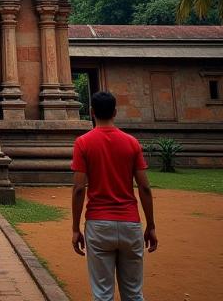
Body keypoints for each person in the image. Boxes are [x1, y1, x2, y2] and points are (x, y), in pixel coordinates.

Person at [71, 90, 157, 301]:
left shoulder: (83, 142)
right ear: (115, 112)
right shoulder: (131, 143)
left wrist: (75, 228)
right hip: (130, 224)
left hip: (99, 224)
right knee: (134, 293)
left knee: (102, 295)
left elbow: (79, 188)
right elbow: (145, 188)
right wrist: (151, 225)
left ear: (91, 112)